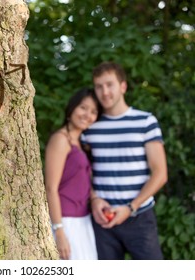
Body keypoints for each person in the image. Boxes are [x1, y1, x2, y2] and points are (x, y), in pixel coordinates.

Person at [82, 61, 168, 260]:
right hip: (102, 219)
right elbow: (85, 171)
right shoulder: (89, 126)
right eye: (99, 86)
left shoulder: (145, 121)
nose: (104, 92)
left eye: (109, 84)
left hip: (139, 217)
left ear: (123, 86)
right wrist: (94, 199)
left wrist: (131, 207)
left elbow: (160, 174)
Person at [44, 88, 101, 260]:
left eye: (93, 112)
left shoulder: (81, 143)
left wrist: (96, 199)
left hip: (84, 220)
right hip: (66, 221)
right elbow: (51, 188)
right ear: (72, 109)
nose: (87, 115)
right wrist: (59, 230)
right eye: (83, 108)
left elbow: (81, 183)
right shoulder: (61, 139)